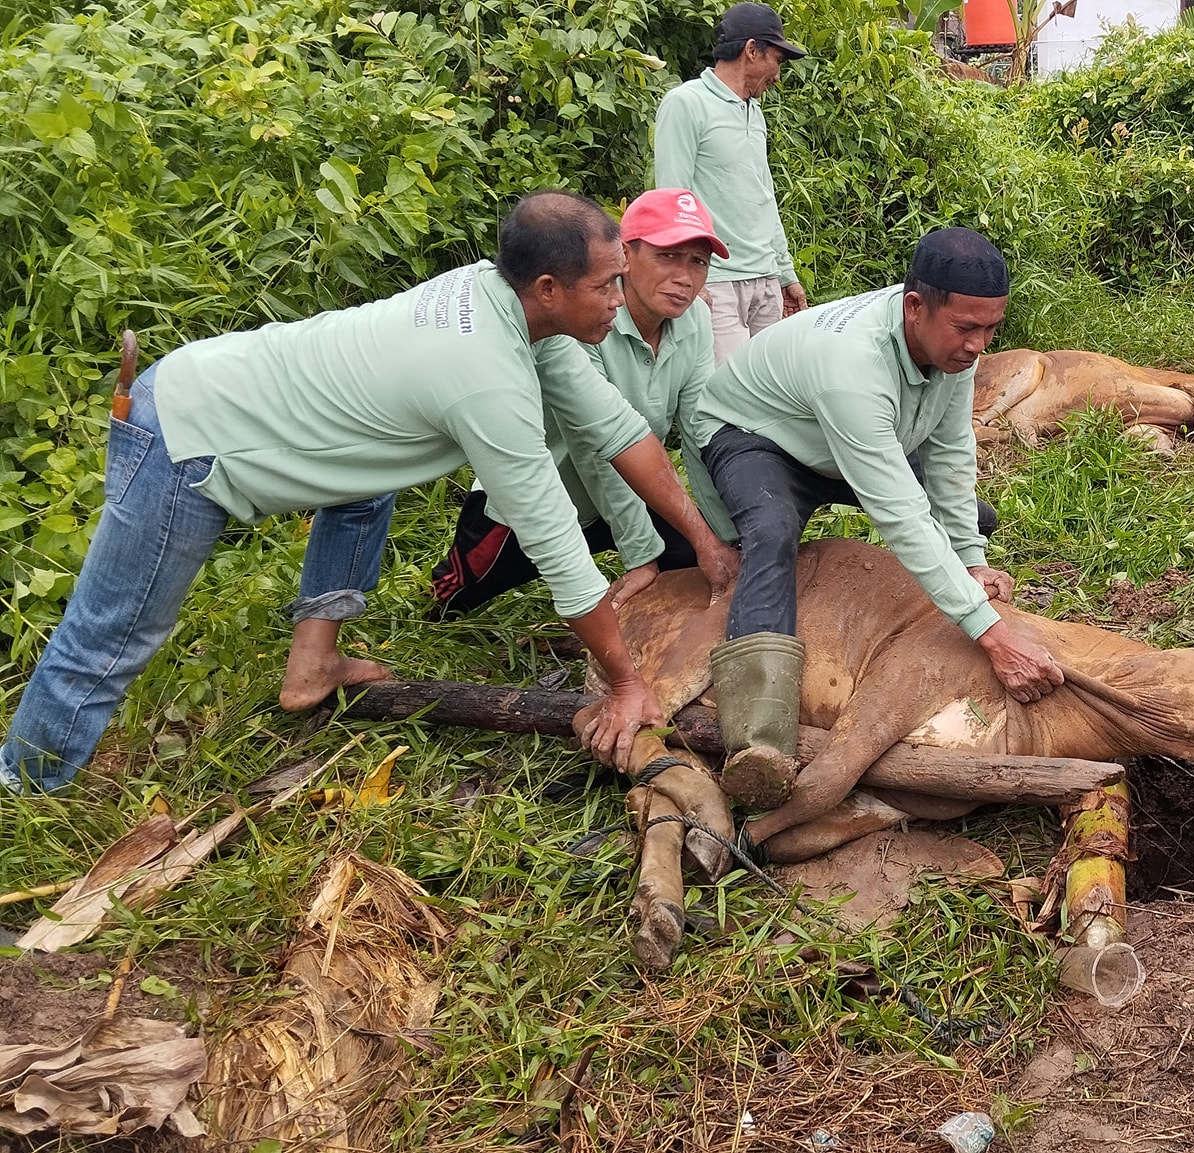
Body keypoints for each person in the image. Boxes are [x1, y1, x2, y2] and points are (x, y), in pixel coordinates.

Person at [0, 192, 720, 792]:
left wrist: (704, 540)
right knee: (115, 632)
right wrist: (626, 683)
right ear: (549, 288)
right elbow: (557, 542)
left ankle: (313, 664)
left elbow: (617, 429)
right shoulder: (484, 376)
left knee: (368, 484)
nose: (618, 299)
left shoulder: (515, 306)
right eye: (606, 285)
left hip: (247, 397)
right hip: (190, 433)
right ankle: (28, 784)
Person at [682, 227, 1062, 817]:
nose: (978, 346)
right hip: (752, 435)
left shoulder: (953, 346)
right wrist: (991, 634)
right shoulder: (852, 366)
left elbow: (950, 452)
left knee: (972, 518)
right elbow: (900, 515)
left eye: (992, 329)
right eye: (966, 328)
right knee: (772, 535)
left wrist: (970, 558)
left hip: (833, 441)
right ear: (915, 308)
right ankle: (758, 734)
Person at [430, 189, 741, 617]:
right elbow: (594, 449)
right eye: (667, 256)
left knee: (696, 561)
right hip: (542, 500)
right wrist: (641, 554)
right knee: (453, 602)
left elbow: (699, 431)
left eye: (698, 262)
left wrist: (721, 535)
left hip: (634, 489)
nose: (684, 277)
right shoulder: (585, 318)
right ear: (625, 255)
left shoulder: (697, 321)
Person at [653, 2, 809, 365]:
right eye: (777, 60)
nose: (777, 76)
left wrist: (785, 274)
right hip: (718, 284)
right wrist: (689, 278)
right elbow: (673, 198)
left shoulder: (755, 112)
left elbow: (763, 195)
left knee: (770, 387)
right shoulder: (686, 103)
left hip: (766, 281)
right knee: (726, 390)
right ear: (752, 50)